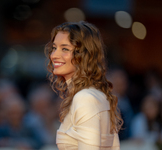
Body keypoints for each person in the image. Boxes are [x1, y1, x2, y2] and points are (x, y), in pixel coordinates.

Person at [44, 21, 123, 150]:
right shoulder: (96, 95)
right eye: (54, 48)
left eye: (65, 49)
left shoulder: (85, 98)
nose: (54, 55)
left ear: (84, 56)